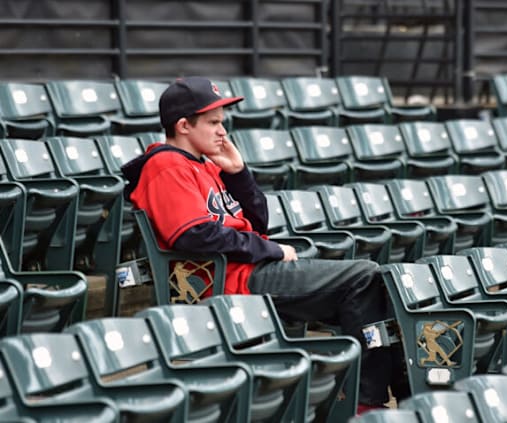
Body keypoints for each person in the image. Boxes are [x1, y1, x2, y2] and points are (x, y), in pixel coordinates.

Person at [121, 76, 398, 413]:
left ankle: (368, 395)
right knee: (363, 277)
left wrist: (238, 173)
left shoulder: (206, 164)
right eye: (213, 123)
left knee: (380, 284)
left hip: (250, 269)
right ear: (183, 125)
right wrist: (272, 250)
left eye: (222, 122)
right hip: (230, 279)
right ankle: (360, 402)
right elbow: (193, 234)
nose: (222, 131)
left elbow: (259, 222)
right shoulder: (166, 166)